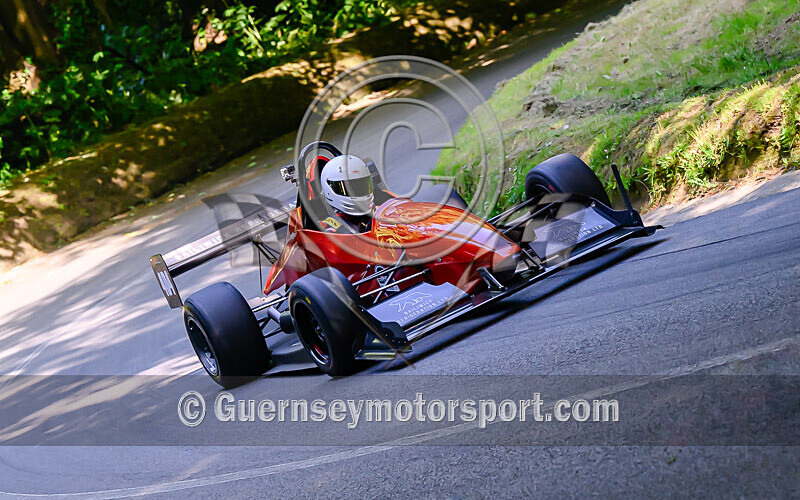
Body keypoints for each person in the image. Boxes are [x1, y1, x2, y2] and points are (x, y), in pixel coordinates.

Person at [318, 154, 374, 233]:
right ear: (329, 189)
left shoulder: (376, 211)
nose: (358, 192)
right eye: (352, 189)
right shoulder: (329, 230)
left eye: (362, 186)